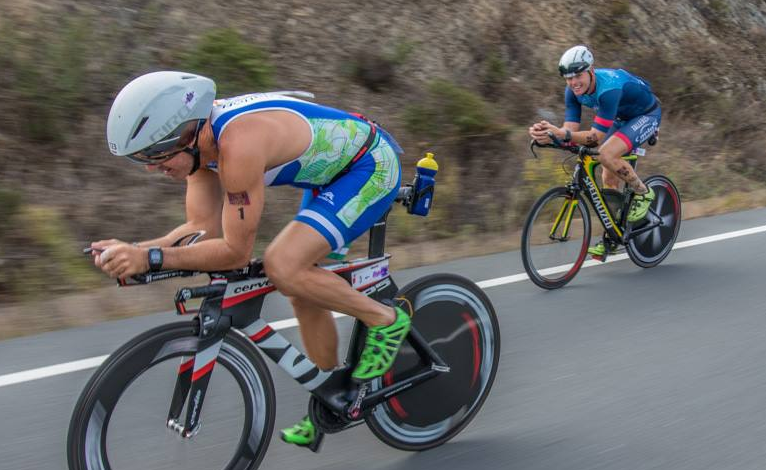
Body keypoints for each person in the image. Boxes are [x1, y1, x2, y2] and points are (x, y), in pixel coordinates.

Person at [93, 71, 411, 447]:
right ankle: (335, 393)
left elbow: (234, 252)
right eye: (140, 158)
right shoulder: (201, 152)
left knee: (283, 265)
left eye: (154, 154)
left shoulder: (237, 146)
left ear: (184, 135)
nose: (150, 166)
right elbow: (200, 228)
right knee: (301, 288)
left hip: (370, 166)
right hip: (329, 177)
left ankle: (387, 320)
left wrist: (151, 258)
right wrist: (136, 251)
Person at [529, 45, 661, 259]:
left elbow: (594, 138)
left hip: (646, 115)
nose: (573, 82)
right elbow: (569, 131)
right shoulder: (572, 91)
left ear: (591, 70)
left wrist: (562, 135)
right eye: (568, 78)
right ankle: (614, 236)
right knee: (608, 176)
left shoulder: (608, 88)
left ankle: (644, 192)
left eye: (578, 75)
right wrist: (547, 135)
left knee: (606, 154)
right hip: (620, 119)